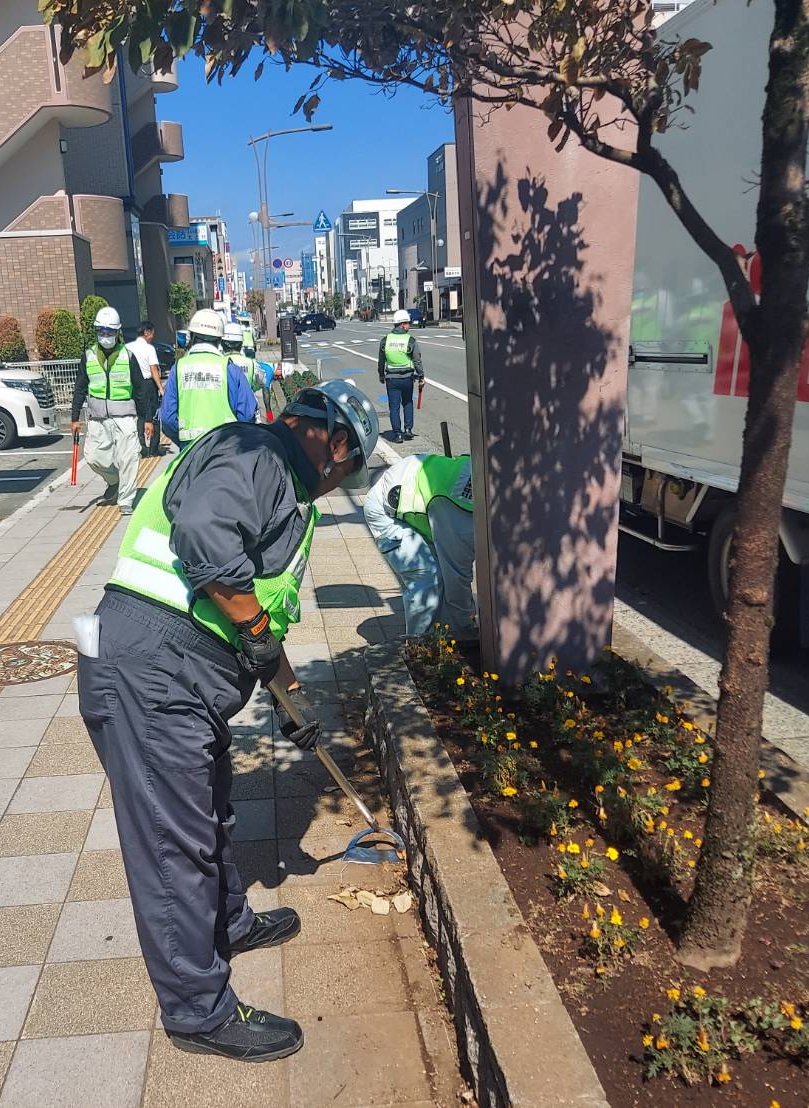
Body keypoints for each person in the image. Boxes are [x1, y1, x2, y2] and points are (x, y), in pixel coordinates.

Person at [78, 380, 380, 1062]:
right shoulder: (257, 454)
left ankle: (229, 922)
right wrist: (255, 631)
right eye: (347, 473)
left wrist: (291, 699)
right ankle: (198, 1012)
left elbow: (258, 618)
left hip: (179, 671)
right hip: (152, 666)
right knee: (172, 845)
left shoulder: (276, 481)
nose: (336, 488)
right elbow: (205, 537)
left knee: (209, 811)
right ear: (335, 444)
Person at [363, 451, 476, 639]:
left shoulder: (482, 472)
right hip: (384, 510)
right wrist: (469, 629)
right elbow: (457, 579)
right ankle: (418, 647)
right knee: (427, 576)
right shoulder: (461, 516)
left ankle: (444, 637)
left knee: (444, 578)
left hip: (416, 488)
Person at [71, 305, 146, 512]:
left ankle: (126, 500)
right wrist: (75, 417)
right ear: (96, 331)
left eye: (110, 331)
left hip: (125, 417)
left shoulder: (128, 356)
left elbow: (140, 389)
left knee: (128, 458)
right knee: (93, 457)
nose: (105, 336)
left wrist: (146, 419)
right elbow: (80, 388)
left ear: (117, 332)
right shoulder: (88, 356)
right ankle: (115, 481)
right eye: (101, 331)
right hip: (97, 418)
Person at [160, 309, 257, 445]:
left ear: (191, 336)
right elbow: (247, 415)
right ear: (219, 340)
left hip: (191, 450)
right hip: (226, 448)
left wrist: (183, 442)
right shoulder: (230, 369)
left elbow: (167, 419)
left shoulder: (178, 368)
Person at [377, 308, 425, 443]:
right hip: (407, 378)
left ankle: (397, 434)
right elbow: (417, 361)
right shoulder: (410, 340)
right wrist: (421, 376)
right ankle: (408, 429)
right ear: (402, 324)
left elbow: (381, 361)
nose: (409, 325)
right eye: (408, 323)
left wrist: (381, 375)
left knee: (394, 407)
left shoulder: (385, 340)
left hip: (391, 379)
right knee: (407, 403)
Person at [128, 320, 166, 457]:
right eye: (152, 334)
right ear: (146, 332)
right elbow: (153, 369)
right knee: (153, 415)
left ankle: (142, 448)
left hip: (134, 385)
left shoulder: (127, 348)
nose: (153, 337)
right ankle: (154, 449)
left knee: (140, 416)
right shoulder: (149, 348)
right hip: (148, 384)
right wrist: (160, 387)